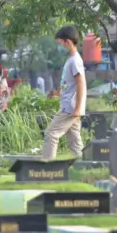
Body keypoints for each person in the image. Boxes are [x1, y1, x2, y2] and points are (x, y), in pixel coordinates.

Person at [42, 25, 86, 159]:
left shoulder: (75, 61)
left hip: (70, 107)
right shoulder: (71, 60)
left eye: (60, 43)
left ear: (68, 41)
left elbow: (81, 84)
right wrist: (57, 92)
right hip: (70, 106)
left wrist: (78, 108)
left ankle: (47, 167)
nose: (59, 46)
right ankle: (82, 166)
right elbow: (69, 84)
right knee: (74, 139)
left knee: (51, 134)